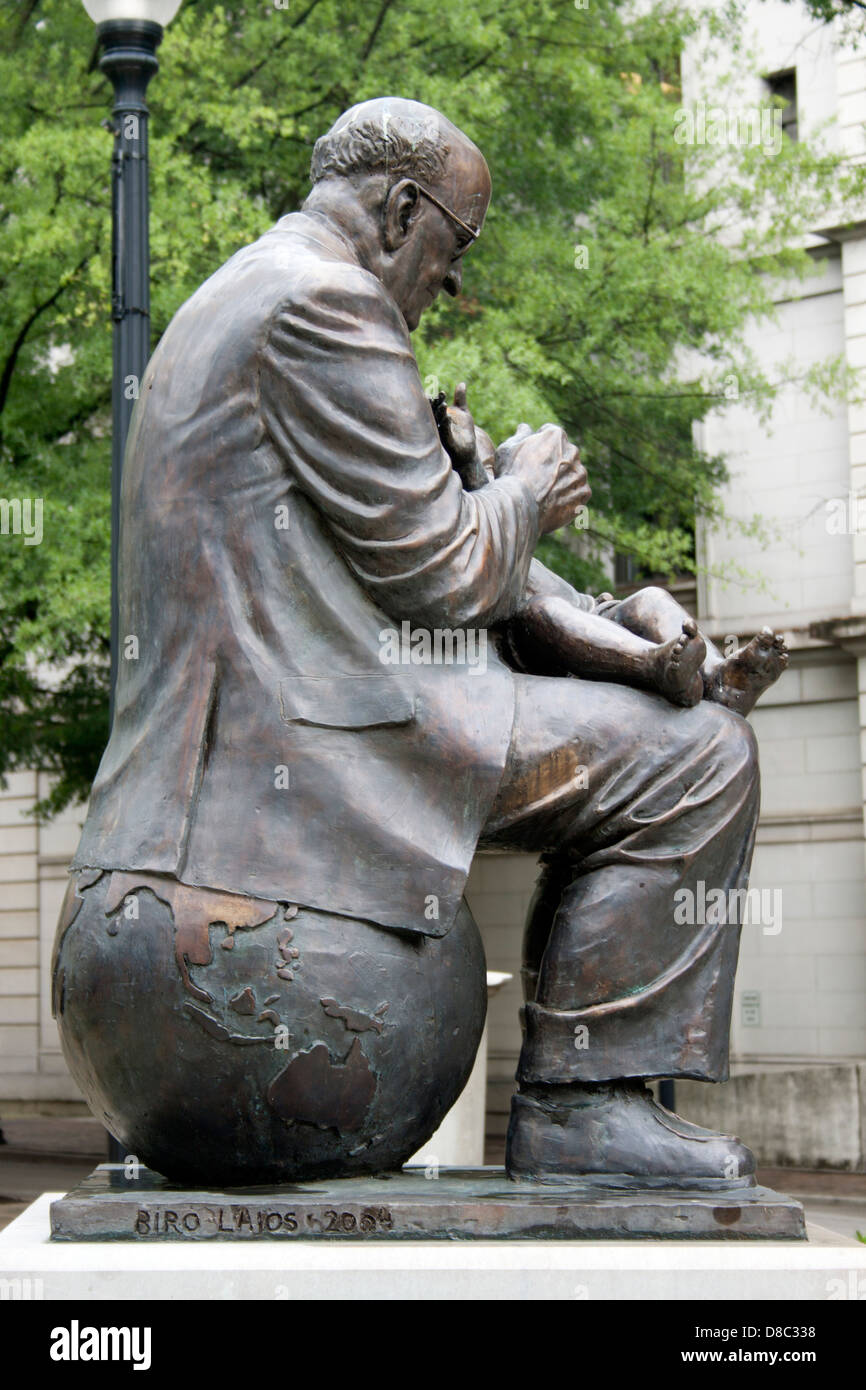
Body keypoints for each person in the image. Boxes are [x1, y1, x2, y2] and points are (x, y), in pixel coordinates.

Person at [69, 96, 778, 1186]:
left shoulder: (237, 298)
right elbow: (448, 573)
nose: (448, 286)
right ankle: (582, 1109)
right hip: (296, 766)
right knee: (696, 761)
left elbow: (411, 558)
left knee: (667, 728)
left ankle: (590, 1105)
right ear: (402, 210)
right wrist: (527, 491)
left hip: (208, 814)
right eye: (452, 250)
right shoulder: (324, 303)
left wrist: (618, 617)